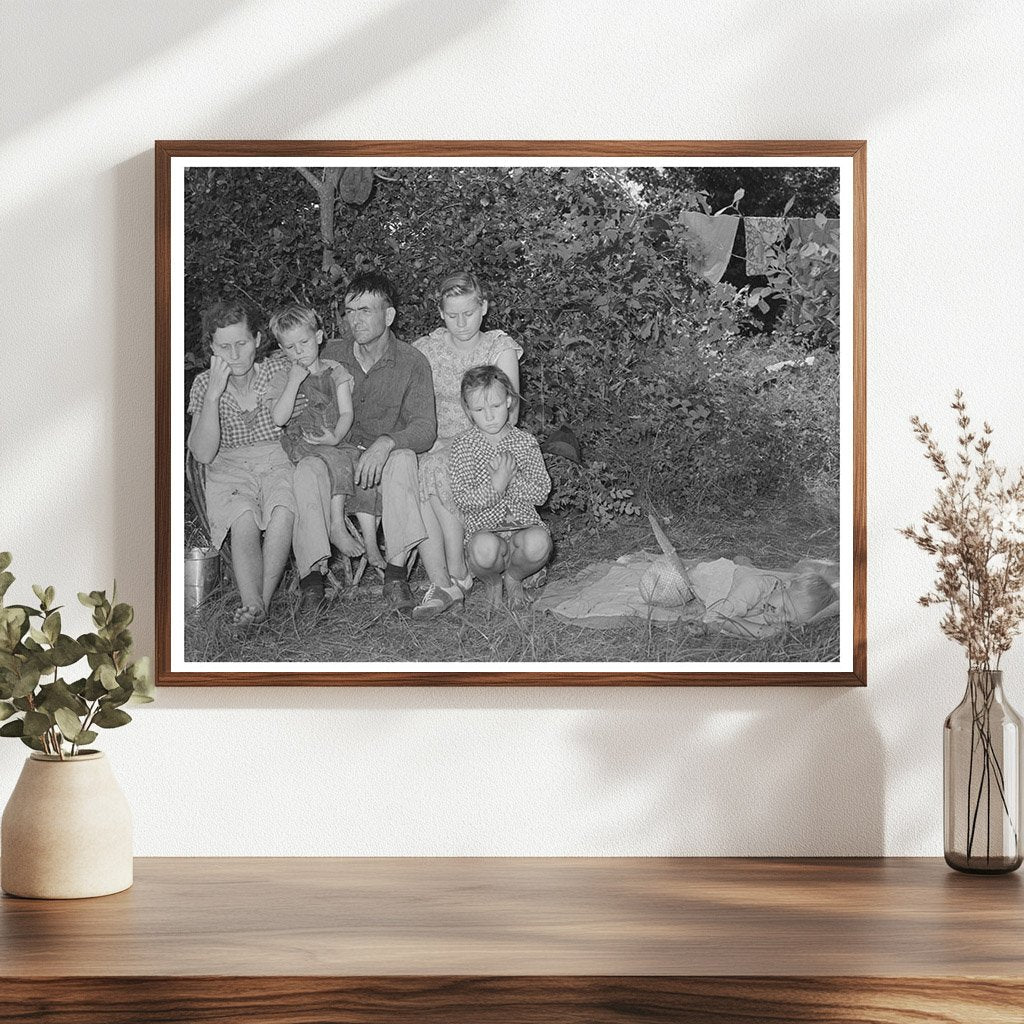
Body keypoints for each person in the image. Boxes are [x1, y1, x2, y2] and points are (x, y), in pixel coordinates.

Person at [288, 271, 437, 613]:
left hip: (382, 466)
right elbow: (286, 364)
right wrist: (291, 400)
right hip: (336, 457)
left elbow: (425, 428)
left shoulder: (412, 362)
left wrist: (386, 443)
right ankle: (312, 584)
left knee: (403, 458)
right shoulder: (329, 354)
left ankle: (396, 576)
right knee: (307, 469)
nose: (355, 320)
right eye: (350, 311)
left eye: (365, 310)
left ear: (389, 315)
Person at [410, 272, 523, 621]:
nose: (461, 323)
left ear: (484, 307)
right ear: (441, 313)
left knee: (435, 466)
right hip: (435, 442)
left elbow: (510, 414)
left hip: (486, 440)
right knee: (414, 467)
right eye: (452, 315)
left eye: (469, 313)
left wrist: (463, 446)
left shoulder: (498, 347)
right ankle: (442, 581)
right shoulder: (427, 348)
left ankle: (457, 573)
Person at [187, 299, 295, 626]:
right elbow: (203, 454)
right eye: (224, 347)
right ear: (211, 348)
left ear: (257, 340)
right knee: (242, 516)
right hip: (229, 465)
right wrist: (213, 396)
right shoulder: (204, 384)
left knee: (282, 509)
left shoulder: (276, 371)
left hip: (276, 457)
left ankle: (259, 604)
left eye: (241, 344)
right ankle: (253, 602)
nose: (234, 355)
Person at [267, 304, 378, 613]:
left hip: (332, 439)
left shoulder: (335, 371)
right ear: (282, 349)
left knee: (349, 461)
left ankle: (348, 530)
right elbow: (279, 418)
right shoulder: (283, 377)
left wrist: (336, 437)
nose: (298, 351)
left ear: (318, 337)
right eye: (290, 347)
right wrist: (293, 381)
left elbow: (346, 413)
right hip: (302, 444)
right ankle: (326, 544)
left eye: (303, 342)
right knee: (319, 467)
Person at [449, 365, 552, 616]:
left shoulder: (525, 442)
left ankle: (514, 578)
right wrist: (495, 486)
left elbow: (542, 492)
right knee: (483, 549)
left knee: (539, 542)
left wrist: (510, 481)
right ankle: (493, 582)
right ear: (468, 410)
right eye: (479, 410)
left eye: (495, 406)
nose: (489, 416)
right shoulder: (464, 445)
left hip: (522, 529)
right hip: (484, 531)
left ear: (508, 401)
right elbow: (463, 499)